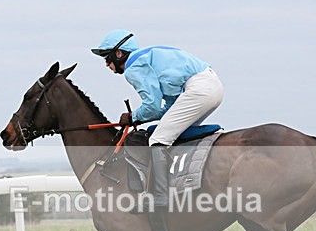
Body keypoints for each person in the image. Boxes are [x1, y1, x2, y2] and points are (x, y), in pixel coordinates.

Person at [91, 29, 224, 211]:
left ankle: (160, 197)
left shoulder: (133, 66)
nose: (107, 64)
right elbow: (169, 107)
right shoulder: (149, 59)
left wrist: (133, 116)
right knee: (171, 132)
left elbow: (152, 105)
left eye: (107, 58)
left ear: (119, 54)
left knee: (158, 139)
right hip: (212, 87)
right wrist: (138, 119)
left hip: (198, 90)